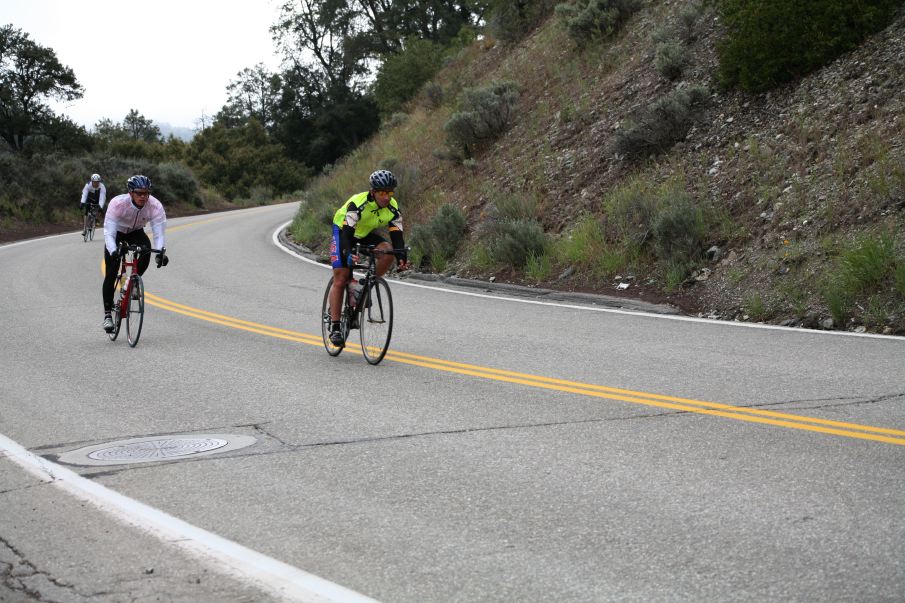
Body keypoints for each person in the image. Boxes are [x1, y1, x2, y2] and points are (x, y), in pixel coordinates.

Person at [327, 169, 408, 347]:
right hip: (343, 231)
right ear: (373, 192)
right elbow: (347, 235)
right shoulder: (358, 204)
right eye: (382, 193)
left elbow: (397, 237)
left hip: (363, 233)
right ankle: (335, 327)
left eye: (390, 192)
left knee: (387, 252)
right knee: (341, 276)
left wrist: (401, 256)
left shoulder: (393, 208)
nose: (387, 197)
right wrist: (349, 253)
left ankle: (363, 288)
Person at [101, 175, 169, 332]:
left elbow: (159, 233)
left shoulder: (154, 206)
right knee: (111, 272)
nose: (143, 197)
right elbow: (108, 233)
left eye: (146, 193)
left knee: (146, 250)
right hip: (117, 233)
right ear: (130, 193)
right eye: (139, 193)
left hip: (136, 232)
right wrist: (113, 251)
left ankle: (130, 284)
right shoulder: (117, 204)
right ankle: (107, 316)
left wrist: (160, 253)